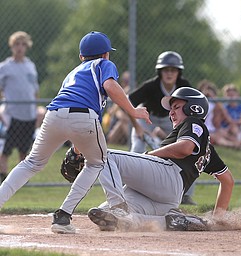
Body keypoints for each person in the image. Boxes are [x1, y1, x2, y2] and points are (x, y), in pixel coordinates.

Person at [0, 31, 151, 233]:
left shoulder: (73, 72)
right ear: (106, 54)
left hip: (53, 114)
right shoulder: (104, 64)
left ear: (81, 57)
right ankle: (65, 216)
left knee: (32, 163)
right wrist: (133, 110)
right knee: (98, 162)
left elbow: (72, 116)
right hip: (83, 116)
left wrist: (78, 148)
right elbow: (109, 86)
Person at [82, 87, 234, 232]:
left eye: (176, 107)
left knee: (104, 155)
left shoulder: (192, 122)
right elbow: (227, 181)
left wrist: (150, 155)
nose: (171, 112)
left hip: (166, 176)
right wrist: (217, 220)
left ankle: (118, 208)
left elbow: (185, 148)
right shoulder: (207, 149)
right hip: (168, 198)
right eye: (171, 109)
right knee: (108, 215)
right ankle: (175, 220)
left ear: (194, 108)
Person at [128, 51, 191, 153]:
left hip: (170, 119)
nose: (169, 73)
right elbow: (128, 102)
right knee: (137, 149)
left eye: (173, 70)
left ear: (178, 72)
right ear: (160, 71)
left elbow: (194, 104)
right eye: (166, 70)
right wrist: (137, 127)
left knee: (180, 149)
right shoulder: (151, 85)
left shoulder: (183, 85)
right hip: (147, 118)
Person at [0, 31, 39, 184]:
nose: (20, 48)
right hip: (12, 113)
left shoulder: (30, 66)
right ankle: (3, 175)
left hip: (28, 113)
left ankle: (21, 178)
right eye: (17, 44)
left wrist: (35, 109)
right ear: (12, 46)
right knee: (6, 148)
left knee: (24, 148)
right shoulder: (5, 67)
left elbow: (35, 89)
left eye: (23, 44)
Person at [104, 71, 131, 145]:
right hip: (112, 133)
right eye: (126, 82)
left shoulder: (133, 97)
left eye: (129, 82)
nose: (128, 85)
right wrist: (124, 94)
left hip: (127, 129)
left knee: (123, 122)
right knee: (122, 122)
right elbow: (113, 112)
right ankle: (130, 142)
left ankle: (130, 142)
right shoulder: (115, 95)